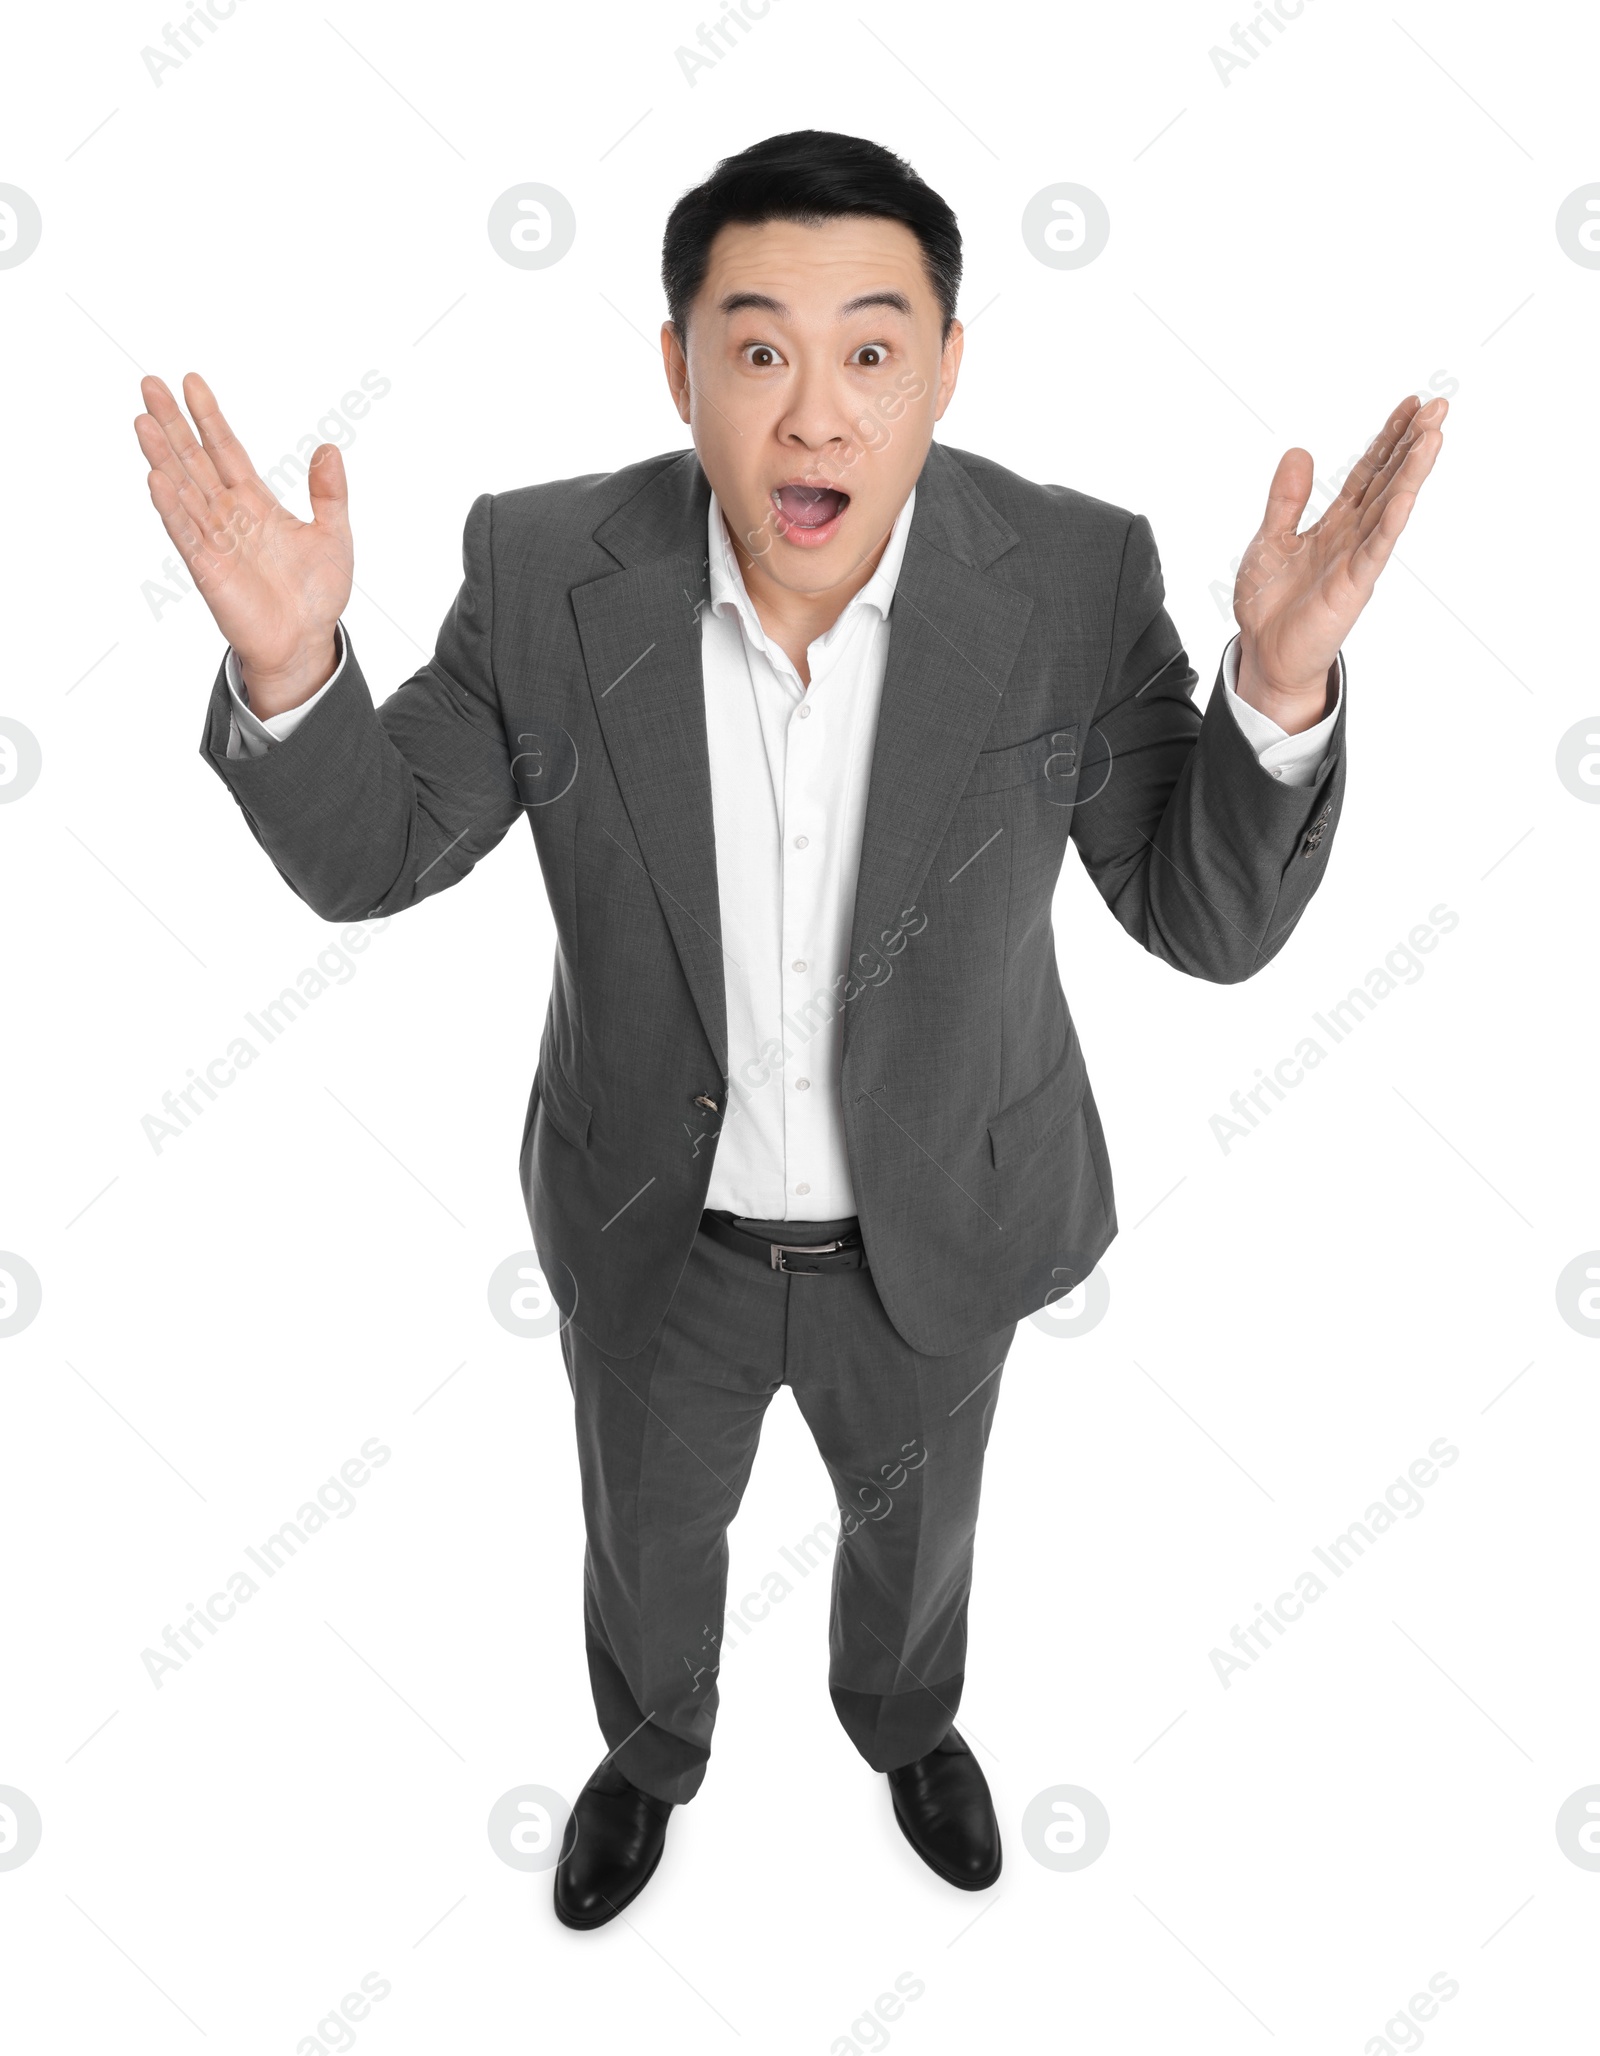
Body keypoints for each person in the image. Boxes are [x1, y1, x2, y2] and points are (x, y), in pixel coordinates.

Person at [133, 129, 1446, 1930]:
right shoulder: (541, 566)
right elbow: (378, 855)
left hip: (949, 1221)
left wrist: (1279, 687)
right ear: (677, 367)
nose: (816, 417)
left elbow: (1201, 917)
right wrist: (293, 668)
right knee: (650, 1546)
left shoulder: (1069, 578)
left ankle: (907, 1726)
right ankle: (650, 1756)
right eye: (757, 351)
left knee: (920, 1546)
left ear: (948, 366)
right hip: (655, 1239)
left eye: (873, 351)